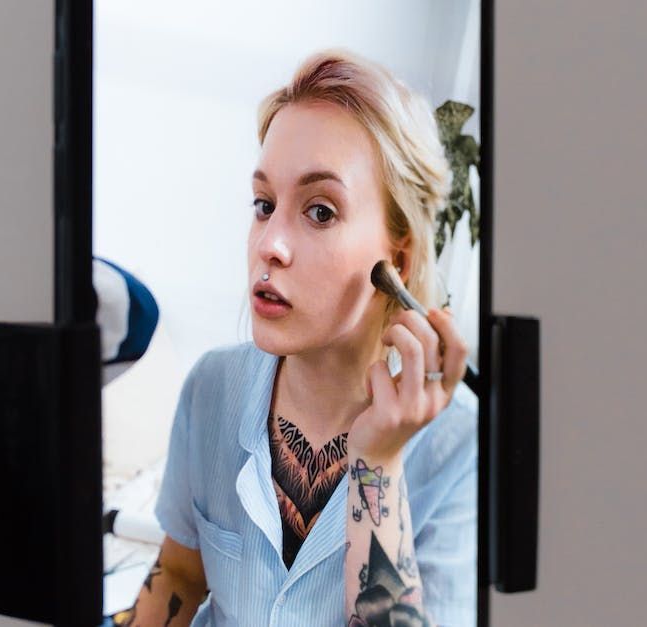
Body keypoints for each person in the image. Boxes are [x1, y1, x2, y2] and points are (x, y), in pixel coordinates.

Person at [113, 48, 477, 627]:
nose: (269, 245)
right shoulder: (213, 387)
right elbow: (181, 576)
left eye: (320, 212)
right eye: (264, 205)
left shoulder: (461, 447)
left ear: (398, 260)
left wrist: (377, 464)